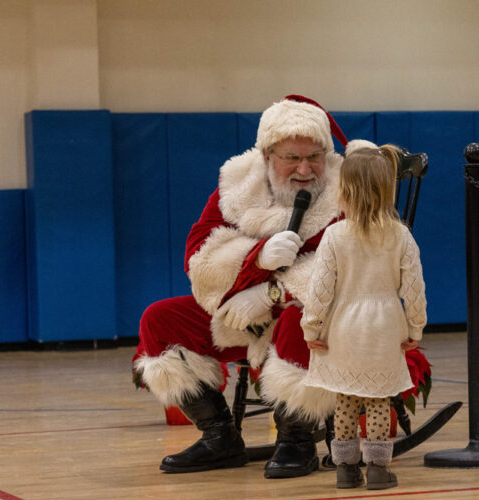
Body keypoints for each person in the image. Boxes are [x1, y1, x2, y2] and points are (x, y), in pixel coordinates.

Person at [131, 95, 430, 479]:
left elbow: (359, 272)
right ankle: (219, 437)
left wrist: (273, 293)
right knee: (160, 319)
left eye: (315, 156)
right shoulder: (238, 184)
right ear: (268, 155)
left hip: (321, 319)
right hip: (240, 314)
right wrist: (256, 257)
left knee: (299, 321)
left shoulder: (349, 187)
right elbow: (198, 256)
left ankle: (296, 440)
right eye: (292, 157)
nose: (305, 169)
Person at [300, 143, 427, 490]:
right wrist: (415, 326)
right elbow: (414, 289)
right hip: (385, 330)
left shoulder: (334, 235)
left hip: (343, 329)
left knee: (345, 400)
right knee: (378, 401)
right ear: (388, 189)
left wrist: (311, 327)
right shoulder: (401, 236)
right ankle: (377, 470)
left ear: (344, 191)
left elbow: (320, 290)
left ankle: (345, 469)